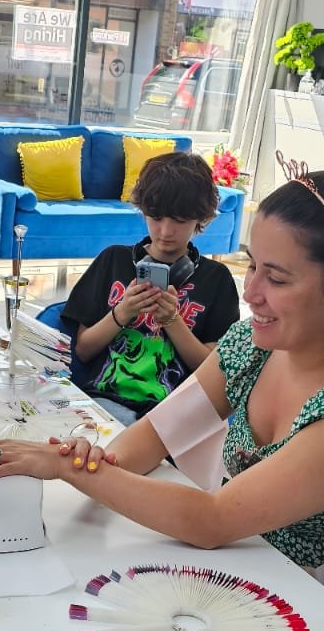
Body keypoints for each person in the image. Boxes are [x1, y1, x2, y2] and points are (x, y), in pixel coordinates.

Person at [0, 160, 324, 631]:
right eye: (252, 265)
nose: (252, 293)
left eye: (277, 280)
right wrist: (83, 459)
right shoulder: (252, 346)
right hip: (254, 576)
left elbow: (212, 521)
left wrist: (72, 470)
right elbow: (153, 437)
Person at [61, 151, 241, 425]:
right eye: (156, 217)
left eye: (180, 220)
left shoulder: (216, 279)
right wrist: (121, 313)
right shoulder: (113, 260)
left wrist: (172, 321)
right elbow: (83, 350)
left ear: (200, 217)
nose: (166, 231)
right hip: (103, 403)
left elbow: (213, 374)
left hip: (175, 415)